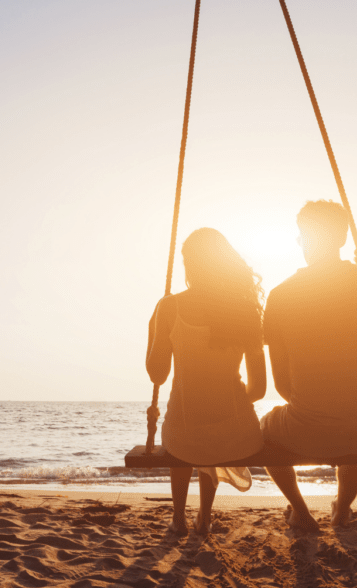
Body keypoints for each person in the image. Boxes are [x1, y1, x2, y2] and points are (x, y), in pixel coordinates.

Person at [261, 200, 357, 533]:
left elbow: (282, 386)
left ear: (302, 239)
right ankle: (341, 509)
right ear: (344, 237)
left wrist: (318, 407)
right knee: (355, 422)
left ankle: (300, 510)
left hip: (310, 429)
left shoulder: (280, 295)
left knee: (265, 431)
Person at [146, 228, 267, 536]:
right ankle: (205, 516)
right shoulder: (245, 310)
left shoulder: (169, 307)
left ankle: (178, 518)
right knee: (211, 428)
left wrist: (154, 329)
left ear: (189, 263)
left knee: (186, 431)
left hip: (183, 435)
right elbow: (260, 389)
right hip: (237, 434)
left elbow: (157, 375)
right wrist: (230, 404)